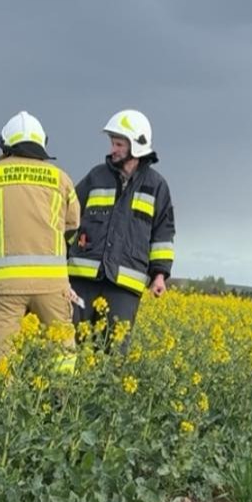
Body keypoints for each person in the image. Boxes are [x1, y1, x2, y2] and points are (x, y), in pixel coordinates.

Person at [0, 111, 80, 361]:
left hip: (4, 287)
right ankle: (62, 399)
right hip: (52, 288)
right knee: (62, 359)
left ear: (5, 145)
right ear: (42, 144)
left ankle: (1, 399)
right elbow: (72, 226)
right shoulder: (61, 179)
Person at [67, 109, 175, 351]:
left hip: (124, 286)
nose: (112, 149)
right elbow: (68, 218)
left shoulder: (157, 187)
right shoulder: (96, 177)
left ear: (137, 146)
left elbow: (163, 235)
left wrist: (159, 275)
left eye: (118, 144)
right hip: (83, 280)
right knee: (71, 347)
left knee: (112, 355)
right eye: (112, 143)